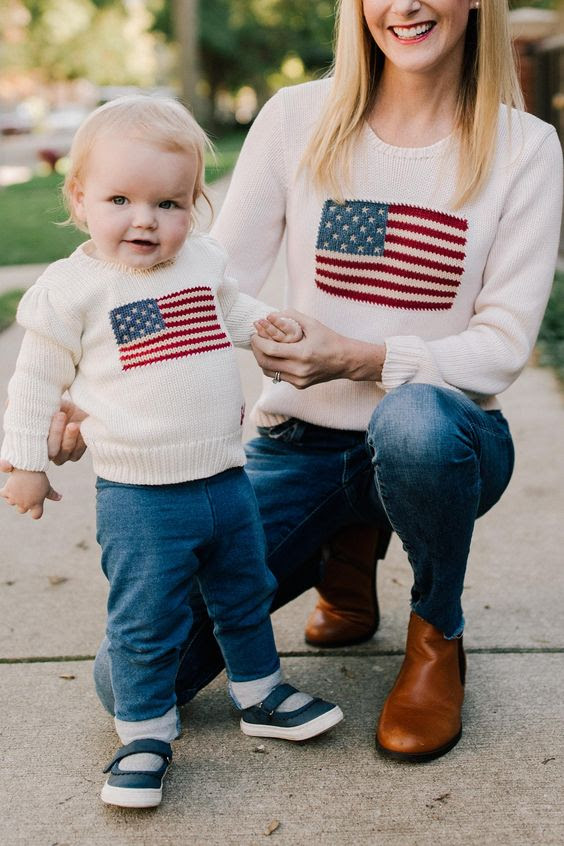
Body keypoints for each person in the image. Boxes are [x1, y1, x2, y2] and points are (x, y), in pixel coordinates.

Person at [4, 0, 562, 764]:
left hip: (445, 440)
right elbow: (198, 283)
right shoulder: (298, 117)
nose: (405, 5)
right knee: (128, 682)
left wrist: (359, 358)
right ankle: (347, 542)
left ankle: (438, 633)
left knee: (412, 423)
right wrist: (93, 394)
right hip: (299, 444)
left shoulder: (524, 147)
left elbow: (501, 349)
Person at [0, 96, 344, 809]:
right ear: (79, 197)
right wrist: (25, 462)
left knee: (243, 594)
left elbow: (231, 311)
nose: (145, 219)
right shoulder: (72, 290)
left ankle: (260, 695)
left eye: (169, 202)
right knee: (148, 618)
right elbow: (34, 384)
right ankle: (145, 735)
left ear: (195, 204)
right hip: (141, 498)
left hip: (224, 477)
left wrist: (268, 327)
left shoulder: (202, 260)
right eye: (120, 199)